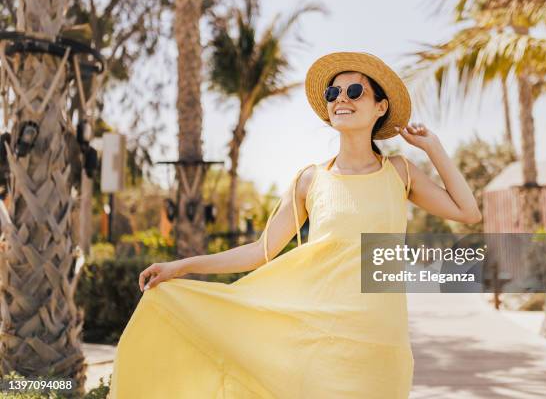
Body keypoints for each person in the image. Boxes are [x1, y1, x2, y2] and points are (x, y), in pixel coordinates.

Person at [109, 52, 481, 398]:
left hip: (382, 342)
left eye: (355, 91)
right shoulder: (310, 180)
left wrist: (433, 149)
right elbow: (260, 251)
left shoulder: (400, 172)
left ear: (380, 106)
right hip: (321, 337)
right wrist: (182, 266)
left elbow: (468, 213)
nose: (341, 99)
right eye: (334, 92)